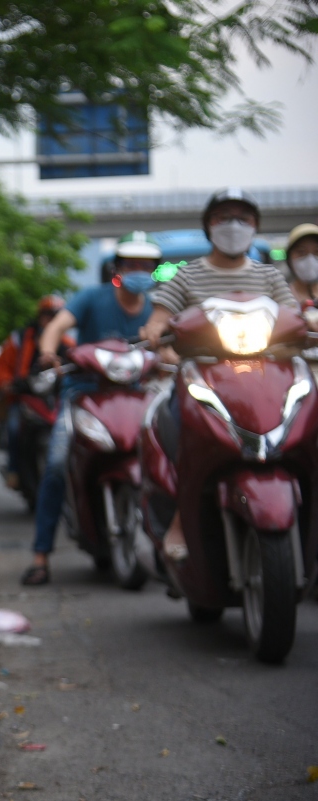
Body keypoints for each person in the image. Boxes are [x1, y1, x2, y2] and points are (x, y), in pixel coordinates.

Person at [141, 189, 298, 562]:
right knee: (174, 428)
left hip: (267, 382)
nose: (233, 225)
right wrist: (155, 332)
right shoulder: (186, 276)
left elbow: (293, 320)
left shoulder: (269, 277)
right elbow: (159, 320)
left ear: (255, 226)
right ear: (209, 225)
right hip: (203, 383)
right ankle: (181, 515)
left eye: (242, 218)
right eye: (223, 217)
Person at [19, 233, 160, 586]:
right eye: (132, 264)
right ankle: (40, 556)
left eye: (146, 265)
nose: (139, 271)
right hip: (83, 395)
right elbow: (57, 327)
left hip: (136, 399)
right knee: (55, 464)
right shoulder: (92, 298)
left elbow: (171, 344)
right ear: (118, 268)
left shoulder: (157, 309)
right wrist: (48, 351)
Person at [0, 295, 72, 491]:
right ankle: (13, 470)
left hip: (54, 398)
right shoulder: (20, 339)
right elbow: (1, 366)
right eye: (48, 315)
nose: (51, 320)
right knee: (13, 428)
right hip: (25, 396)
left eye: (55, 316)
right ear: (40, 316)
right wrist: (6, 383)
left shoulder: (68, 344)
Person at [284, 222, 318, 305]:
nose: (310, 260)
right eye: (301, 252)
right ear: (289, 259)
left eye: (317, 252)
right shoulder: (280, 298)